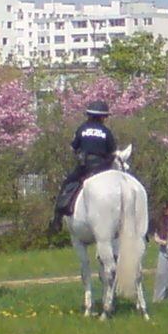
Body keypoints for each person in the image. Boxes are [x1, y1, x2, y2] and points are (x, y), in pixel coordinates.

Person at [48, 100, 117, 234]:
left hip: (86, 167)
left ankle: (57, 219)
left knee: (67, 184)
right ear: (103, 117)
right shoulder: (106, 131)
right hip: (103, 168)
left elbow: (73, 147)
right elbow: (112, 152)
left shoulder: (82, 128)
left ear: (89, 115)